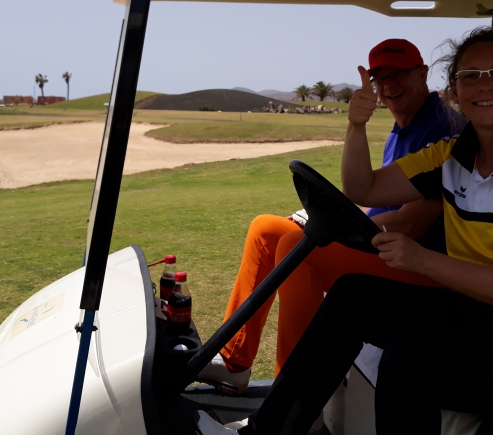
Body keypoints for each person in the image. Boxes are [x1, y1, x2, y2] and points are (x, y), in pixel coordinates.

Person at [198, 27, 493, 434]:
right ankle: (270, 430)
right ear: (454, 89)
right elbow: (363, 189)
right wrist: (356, 125)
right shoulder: (451, 155)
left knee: (408, 359)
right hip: (478, 309)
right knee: (351, 297)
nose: (485, 86)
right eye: (470, 76)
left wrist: (422, 260)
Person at [198, 38, 464, 393]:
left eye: (399, 74)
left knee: (297, 247)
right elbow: (378, 203)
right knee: (266, 230)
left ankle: (292, 392)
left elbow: (411, 223)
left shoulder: (441, 129)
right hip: (382, 245)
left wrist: (339, 229)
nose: (389, 86)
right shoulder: (404, 126)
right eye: (380, 78)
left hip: (418, 263)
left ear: (422, 74)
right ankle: (235, 361)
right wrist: (332, 217)